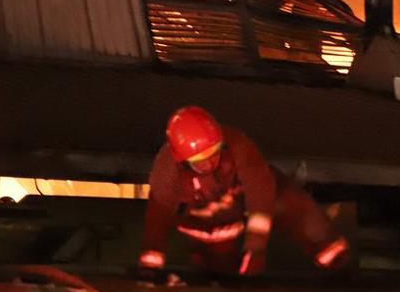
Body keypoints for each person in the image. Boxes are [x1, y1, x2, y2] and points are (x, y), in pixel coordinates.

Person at [138, 105, 349, 277]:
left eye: (213, 153)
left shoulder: (238, 145)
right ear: (182, 160)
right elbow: (158, 212)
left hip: (249, 198)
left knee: (294, 204)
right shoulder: (166, 169)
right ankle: (222, 281)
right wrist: (152, 254)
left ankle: (337, 262)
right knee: (217, 248)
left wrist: (256, 247)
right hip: (209, 215)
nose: (209, 163)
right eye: (198, 161)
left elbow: (261, 189)